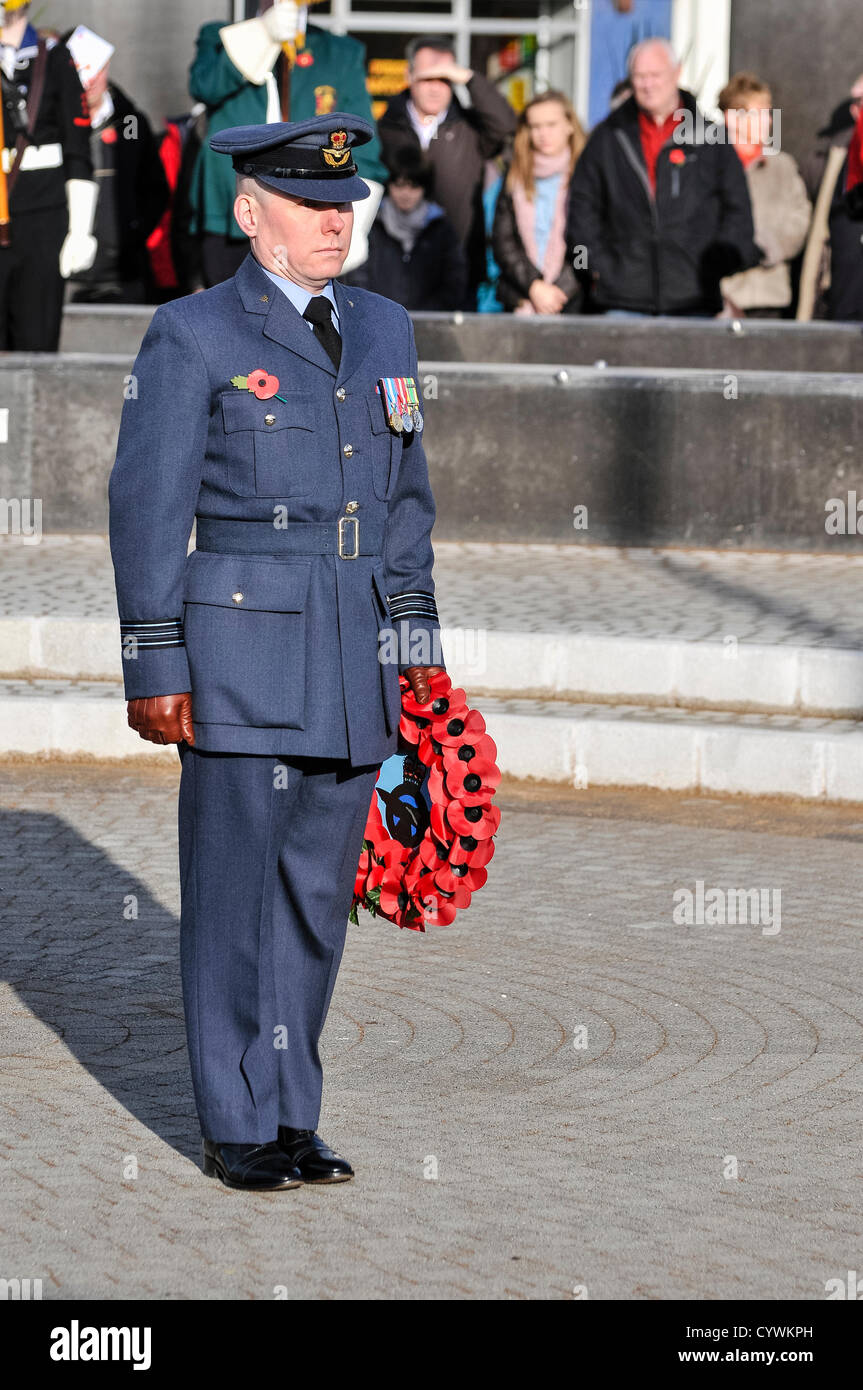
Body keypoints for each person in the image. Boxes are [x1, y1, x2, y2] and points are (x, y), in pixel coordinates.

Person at [108, 113, 445, 1192]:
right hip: (243, 652)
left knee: (311, 896)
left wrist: (416, 657)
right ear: (252, 215)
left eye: (344, 204)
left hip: (353, 651)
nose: (335, 222)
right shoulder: (194, 334)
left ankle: (293, 1112)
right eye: (311, 205)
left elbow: (405, 510)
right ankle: (235, 1120)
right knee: (233, 894)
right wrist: (155, 661)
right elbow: (146, 510)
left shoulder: (386, 328)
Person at [187, 2, 386, 287]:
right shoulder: (220, 36)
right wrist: (263, 33)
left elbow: (363, 144)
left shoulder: (340, 53)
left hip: (308, 213)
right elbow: (204, 86)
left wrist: (358, 221)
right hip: (231, 215)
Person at [566, 37, 759, 316]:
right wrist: (594, 269)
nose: (647, 84)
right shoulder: (606, 139)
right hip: (621, 301)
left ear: (677, 73)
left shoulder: (711, 138)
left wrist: (718, 265)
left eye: (655, 75)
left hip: (695, 299)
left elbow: (738, 211)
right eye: (639, 76)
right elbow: (581, 215)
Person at [378, 34, 516, 308]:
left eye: (445, 79)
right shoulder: (386, 127)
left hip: (459, 271)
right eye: (428, 77)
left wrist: (469, 78)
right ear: (409, 75)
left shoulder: (470, 127)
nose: (435, 88)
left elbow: (506, 124)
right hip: (392, 275)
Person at [0, 0, 96, 349]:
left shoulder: (54, 58)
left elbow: (78, 146)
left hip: (42, 215)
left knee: (35, 338)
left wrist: (81, 229)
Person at [63, 24, 169, 304]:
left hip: (124, 273)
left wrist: (134, 231)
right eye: (81, 71)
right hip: (65, 273)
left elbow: (155, 188)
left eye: (96, 69)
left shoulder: (131, 122)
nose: (90, 81)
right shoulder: (53, 127)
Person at [717, 72, 810, 319]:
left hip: (770, 298)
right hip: (721, 296)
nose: (768, 121)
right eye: (758, 113)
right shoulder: (709, 167)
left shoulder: (783, 166)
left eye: (768, 112)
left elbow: (800, 219)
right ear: (732, 118)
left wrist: (766, 247)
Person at [492, 89, 585, 315]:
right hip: (521, 298)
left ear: (569, 125)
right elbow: (503, 242)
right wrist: (533, 286)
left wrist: (559, 292)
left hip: (573, 300)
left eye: (551, 125)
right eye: (535, 127)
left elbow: (589, 243)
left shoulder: (587, 173)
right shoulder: (514, 175)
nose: (543, 134)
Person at [344, 146, 466, 310]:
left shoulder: (441, 228)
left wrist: (429, 313)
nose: (406, 193)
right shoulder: (372, 222)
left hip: (433, 325)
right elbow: (358, 273)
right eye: (400, 185)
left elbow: (454, 279)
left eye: (413, 186)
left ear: (424, 188)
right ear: (390, 185)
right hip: (379, 318)